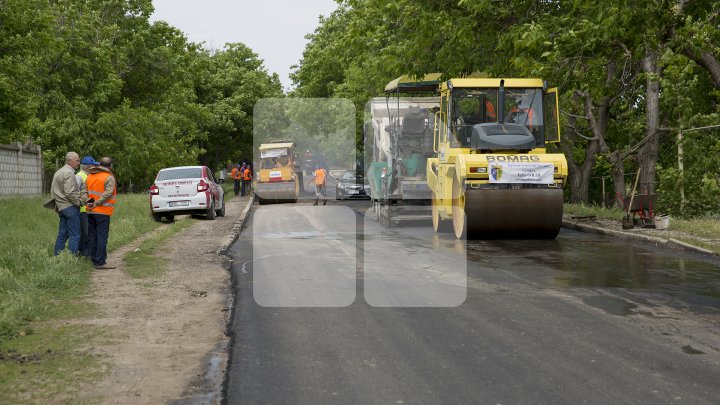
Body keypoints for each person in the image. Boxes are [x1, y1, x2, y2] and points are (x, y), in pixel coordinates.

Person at [83, 157, 117, 270]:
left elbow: (83, 191)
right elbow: (108, 193)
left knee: (93, 237)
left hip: (90, 211)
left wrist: (88, 202)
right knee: (102, 236)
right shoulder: (109, 177)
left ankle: (94, 260)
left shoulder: (89, 176)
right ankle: (100, 262)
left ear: (100, 164)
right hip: (103, 211)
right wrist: (97, 203)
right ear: (110, 166)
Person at [48, 152, 83, 255]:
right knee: (75, 235)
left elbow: (54, 190)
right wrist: (79, 203)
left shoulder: (58, 172)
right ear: (70, 160)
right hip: (70, 207)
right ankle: (71, 259)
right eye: (77, 161)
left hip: (61, 207)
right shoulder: (69, 172)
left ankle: (57, 257)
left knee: (62, 234)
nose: (79, 163)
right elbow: (69, 192)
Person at [75, 156, 97, 257]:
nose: (94, 167)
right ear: (88, 167)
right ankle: (83, 253)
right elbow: (75, 192)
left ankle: (88, 253)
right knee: (84, 233)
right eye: (93, 165)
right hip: (82, 209)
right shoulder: (79, 176)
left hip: (88, 209)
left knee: (88, 233)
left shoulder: (88, 176)